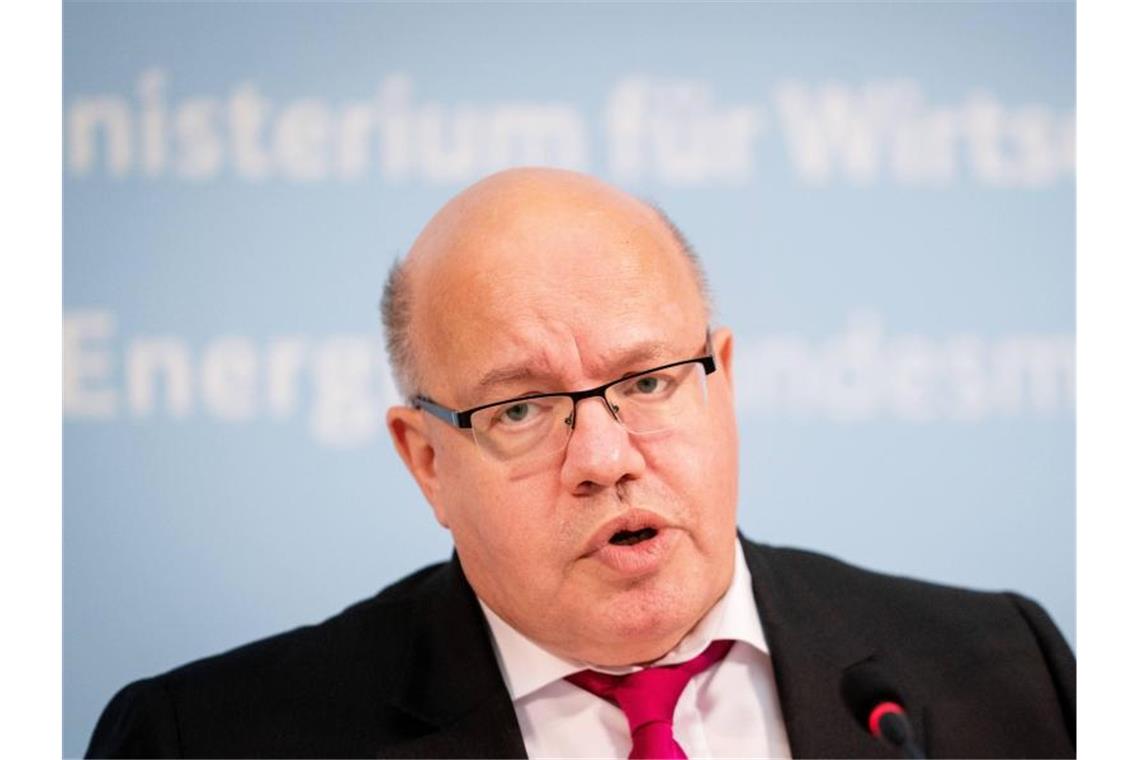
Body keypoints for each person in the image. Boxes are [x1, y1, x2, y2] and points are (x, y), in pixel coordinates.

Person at [87, 168, 1075, 759]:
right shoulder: (210, 739)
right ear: (426, 459)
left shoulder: (1011, 677)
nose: (605, 459)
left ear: (720, 381)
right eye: (521, 408)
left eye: (648, 382)